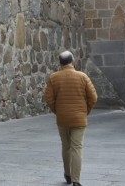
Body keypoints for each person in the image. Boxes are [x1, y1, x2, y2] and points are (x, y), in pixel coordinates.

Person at [44, 50, 98, 186]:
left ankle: (67, 174)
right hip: (79, 118)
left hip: (62, 118)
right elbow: (93, 97)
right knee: (77, 147)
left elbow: (49, 98)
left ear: (60, 63)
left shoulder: (53, 77)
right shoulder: (83, 76)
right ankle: (76, 180)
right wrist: (85, 111)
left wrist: (57, 110)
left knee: (66, 146)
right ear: (73, 61)